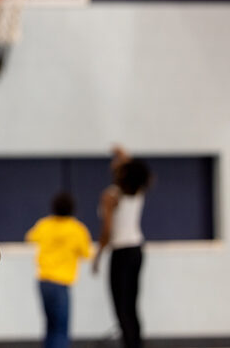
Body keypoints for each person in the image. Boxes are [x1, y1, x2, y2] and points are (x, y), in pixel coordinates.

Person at [92, 146, 152, 348]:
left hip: (121, 253)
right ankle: (135, 344)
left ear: (122, 172)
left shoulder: (111, 196)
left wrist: (98, 255)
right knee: (132, 306)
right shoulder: (138, 191)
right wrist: (121, 152)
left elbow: (107, 230)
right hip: (137, 250)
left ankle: (130, 344)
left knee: (121, 308)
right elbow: (134, 167)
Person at [25, 192, 92, 348]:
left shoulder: (45, 224)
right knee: (61, 328)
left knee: (50, 326)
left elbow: (30, 237)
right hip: (61, 282)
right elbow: (86, 253)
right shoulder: (77, 229)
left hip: (44, 281)